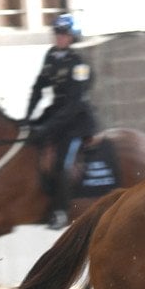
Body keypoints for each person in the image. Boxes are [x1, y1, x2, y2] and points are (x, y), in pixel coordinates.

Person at [25, 13, 98, 230]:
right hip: (55, 112)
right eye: (57, 33)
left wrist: (47, 126)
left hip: (75, 120)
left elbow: (74, 104)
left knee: (63, 164)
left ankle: (60, 211)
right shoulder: (50, 56)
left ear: (72, 37)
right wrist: (29, 116)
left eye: (64, 34)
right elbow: (39, 87)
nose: (59, 37)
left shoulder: (79, 63)